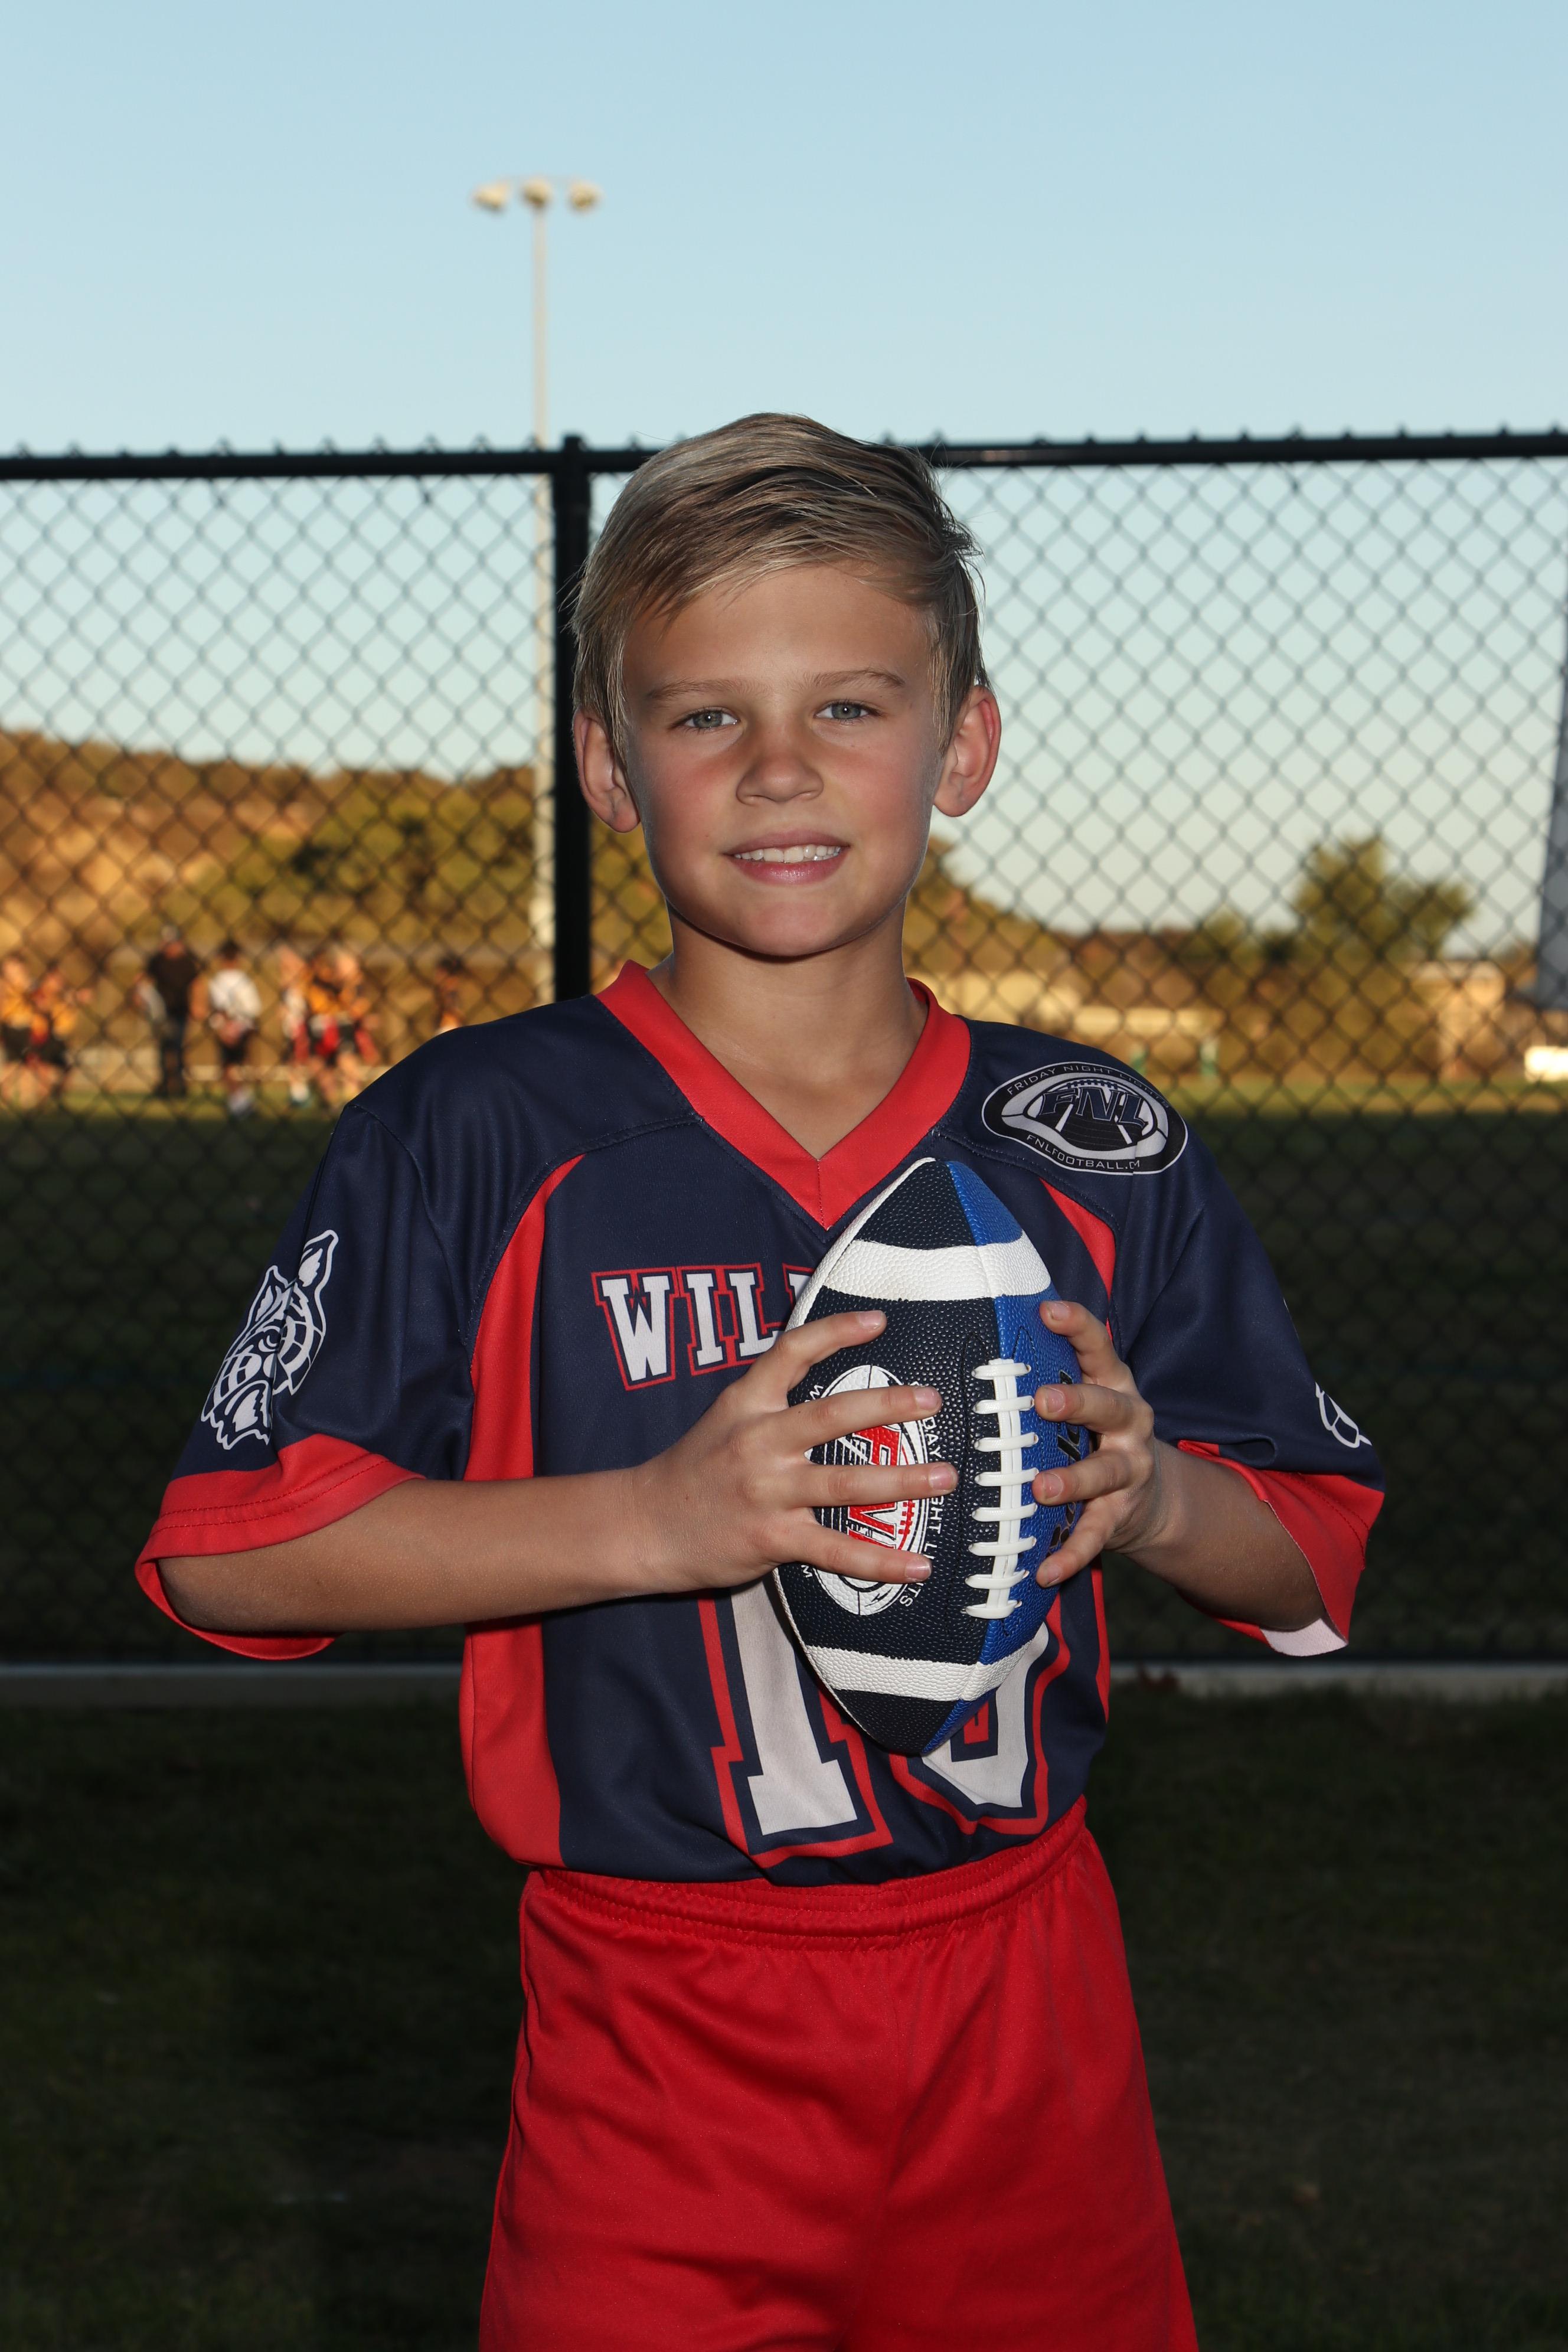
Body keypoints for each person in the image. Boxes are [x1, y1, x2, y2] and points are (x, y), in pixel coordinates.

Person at [138, 416, 1383, 2351]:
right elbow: (233, 1552)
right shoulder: (478, 1130)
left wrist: (1154, 1499)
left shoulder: (1093, 1140)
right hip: (660, 2024)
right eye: (706, 714)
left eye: (849, 706)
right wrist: (654, 1520)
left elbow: (1308, 1560)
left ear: (961, 744)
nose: (780, 768)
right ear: (604, 764)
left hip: (1028, 2004)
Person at [138, 926, 202, 1100]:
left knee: (179, 1047)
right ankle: (165, 1083)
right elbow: (144, 979)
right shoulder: (157, 960)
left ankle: (180, 1084)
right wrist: (140, 996)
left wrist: (197, 1005)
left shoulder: (187, 961)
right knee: (164, 1048)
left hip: (180, 1010)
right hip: (161, 1013)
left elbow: (196, 984)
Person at [207, 939, 263, 1117]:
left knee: (229, 1066)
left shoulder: (218, 980)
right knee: (242, 1065)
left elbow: (220, 1009)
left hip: (227, 1027)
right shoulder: (245, 980)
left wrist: (223, 1029)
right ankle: (242, 1101)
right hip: (244, 1026)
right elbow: (254, 1008)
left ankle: (238, 1102)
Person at [275, 945, 313, 1108]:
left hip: (299, 1028)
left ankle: (302, 1092)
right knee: (291, 1060)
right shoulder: (285, 988)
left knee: (299, 1060)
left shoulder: (303, 983)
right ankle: (297, 1092)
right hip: (289, 1028)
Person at [1, 951, 34, 1107]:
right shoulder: (3, 984)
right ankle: (5, 1098)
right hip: (8, 1026)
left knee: (26, 1065)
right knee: (9, 1064)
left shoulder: (28, 983)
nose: (8, 969)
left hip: (25, 1026)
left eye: (12, 965)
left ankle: (26, 1098)